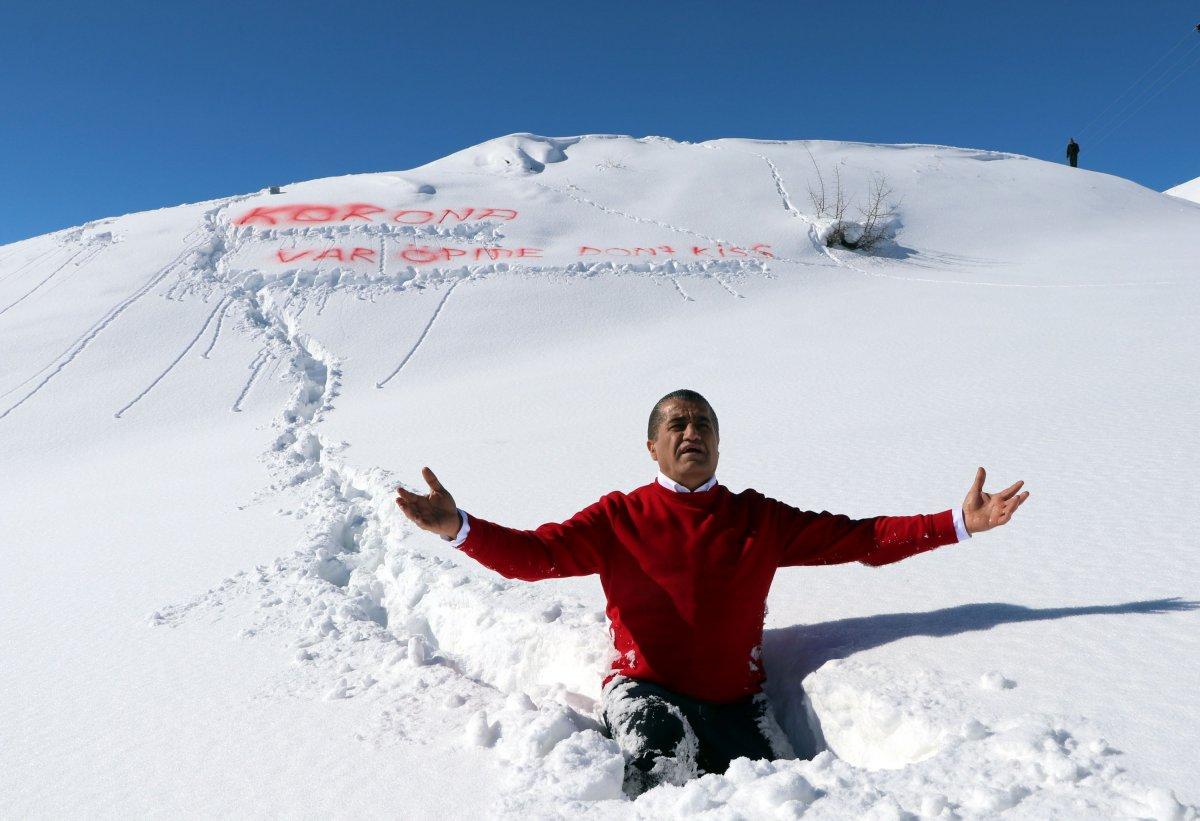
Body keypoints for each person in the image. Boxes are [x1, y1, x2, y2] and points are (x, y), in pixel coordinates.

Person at [395, 389, 1030, 795]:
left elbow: (862, 539)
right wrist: (458, 529)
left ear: (719, 444)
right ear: (652, 446)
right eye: (676, 423)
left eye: (702, 424)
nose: (690, 432)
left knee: (784, 794)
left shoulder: (760, 518)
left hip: (740, 703)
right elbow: (533, 558)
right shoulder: (620, 517)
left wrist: (959, 524)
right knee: (662, 761)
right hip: (643, 690)